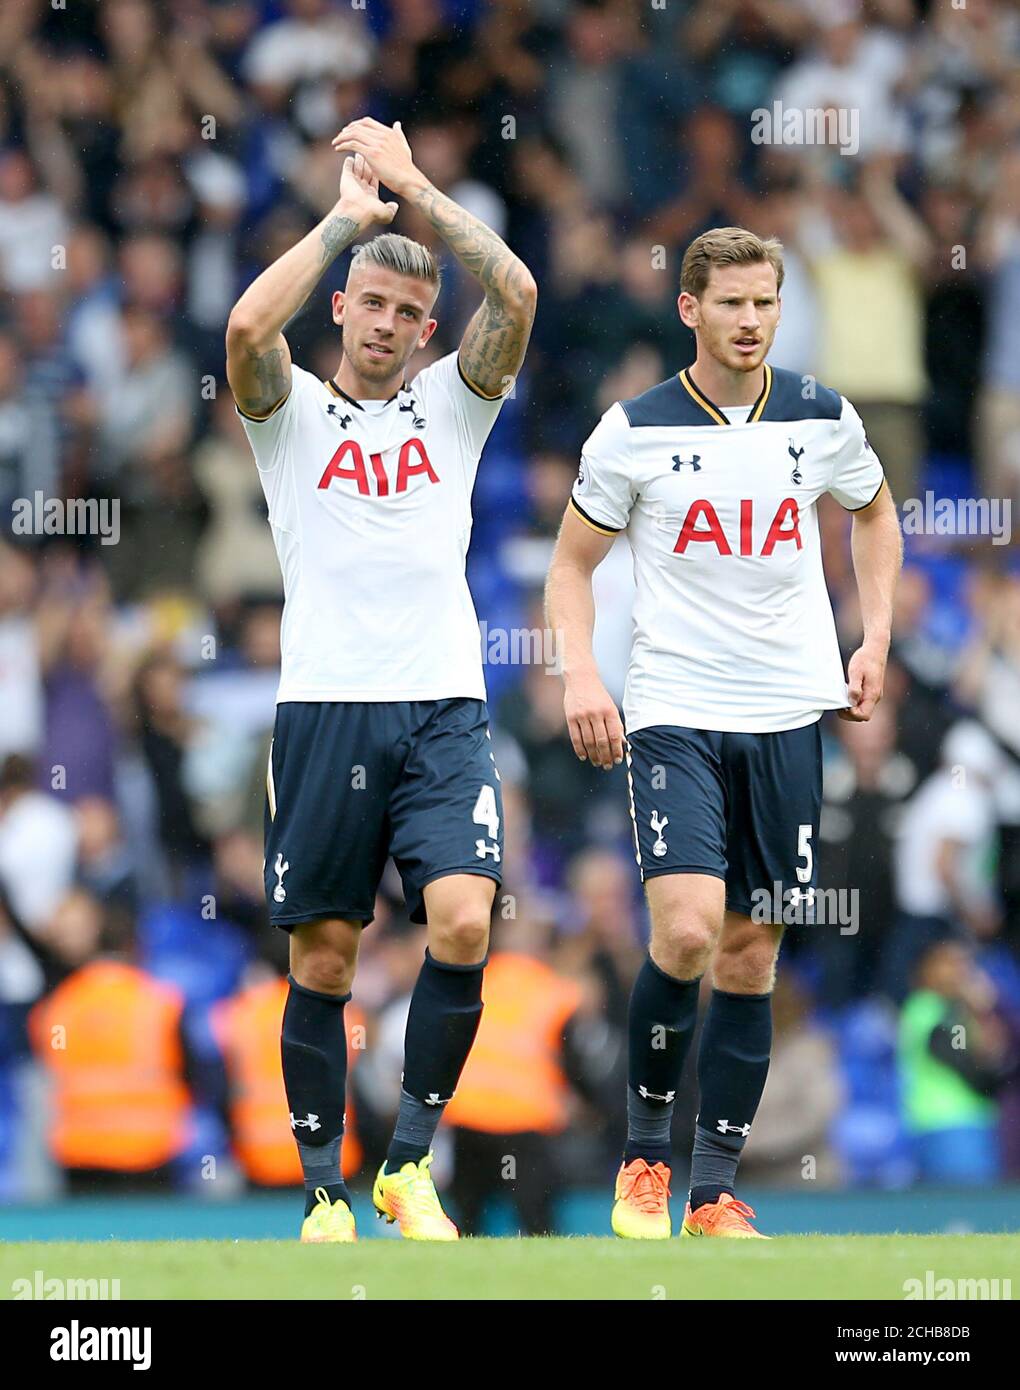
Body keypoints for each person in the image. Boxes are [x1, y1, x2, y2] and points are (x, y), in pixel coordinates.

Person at [545, 226, 902, 1239]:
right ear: (689, 309)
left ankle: (714, 1193)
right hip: (675, 712)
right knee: (690, 929)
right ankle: (645, 1159)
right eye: (731, 303)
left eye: (765, 302)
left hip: (790, 711)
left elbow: (875, 515)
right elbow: (571, 566)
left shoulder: (820, 417)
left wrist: (873, 637)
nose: (750, 321)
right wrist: (580, 669)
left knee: (750, 956)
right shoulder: (634, 431)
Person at [225, 117, 536, 1243]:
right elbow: (249, 322)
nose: (393, 326)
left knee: (462, 920)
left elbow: (521, 295)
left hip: (443, 702)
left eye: (413, 313)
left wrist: (418, 189)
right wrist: (349, 219)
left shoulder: (455, 403)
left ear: (426, 330)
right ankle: (323, 1194)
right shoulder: (288, 416)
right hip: (322, 706)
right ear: (343, 308)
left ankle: (408, 1164)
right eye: (375, 304)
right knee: (324, 953)